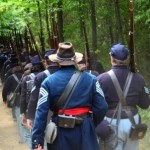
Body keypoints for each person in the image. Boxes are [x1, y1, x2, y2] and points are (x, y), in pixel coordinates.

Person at [31, 42, 108, 150]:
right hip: (85, 129)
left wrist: (37, 140)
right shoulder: (91, 79)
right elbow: (102, 106)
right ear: (75, 59)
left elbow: (41, 112)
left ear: (57, 61)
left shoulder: (47, 82)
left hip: (60, 132)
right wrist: (90, 123)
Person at [97, 43, 150, 150]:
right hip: (132, 123)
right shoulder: (138, 78)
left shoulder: (101, 79)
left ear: (111, 58)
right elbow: (145, 104)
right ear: (126, 58)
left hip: (109, 122)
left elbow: (96, 105)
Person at [27, 49, 59, 129]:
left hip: (47, 113)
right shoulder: (68, 74)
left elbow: (34, 98)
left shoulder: (40, 76)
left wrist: (30, 116)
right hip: (67, 112)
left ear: (46, 62)